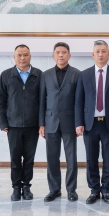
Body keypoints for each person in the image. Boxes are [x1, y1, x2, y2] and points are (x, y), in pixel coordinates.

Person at [75, 40, 109, 204]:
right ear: (93, 54)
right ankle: (94, 190)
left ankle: (106, 190)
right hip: (90, 124)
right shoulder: (84, 75)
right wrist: (79, 123)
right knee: (91, 159)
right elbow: (79, 101)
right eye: (98, 51)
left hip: (108, 124)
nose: (101, 54)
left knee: (108, 158)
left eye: (104, 51)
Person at [0, 44, 42, 202]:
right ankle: (16, 187)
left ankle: (26, 186)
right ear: (14, 57)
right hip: (13, 125)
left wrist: (41, 123)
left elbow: (43, 101)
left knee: (29, 158)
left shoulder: (38, 75)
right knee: (15, 159)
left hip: (32, 125)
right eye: (19, 55)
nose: (22, 58)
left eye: (25, 55)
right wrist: (2, 123)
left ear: (30, 56)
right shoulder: (6, 75)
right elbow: (0, 101)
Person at [39, 42, 81, 202]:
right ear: (53, 55)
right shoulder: (46, 75)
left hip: (70, 122)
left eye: (64, 52)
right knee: (52, 158)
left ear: (69, 55)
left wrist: (78, 123)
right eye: (58, 52)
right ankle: (54, 189)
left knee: (71, 158)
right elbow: (42, 100)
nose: (61, 55)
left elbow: (79, 101)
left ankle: (71, 190)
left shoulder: (77, 74)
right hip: (50, 122)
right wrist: (41, 123)